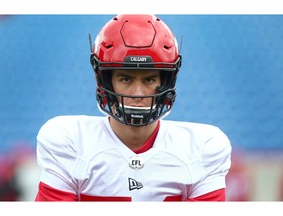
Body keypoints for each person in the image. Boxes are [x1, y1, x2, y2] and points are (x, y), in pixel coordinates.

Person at [35, 14, 232, 201]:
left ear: (166, 82)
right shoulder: (69, 141)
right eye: (125, 78)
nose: (138, 94)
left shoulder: (203, 148)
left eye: (149, 79)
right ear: (105, 82)